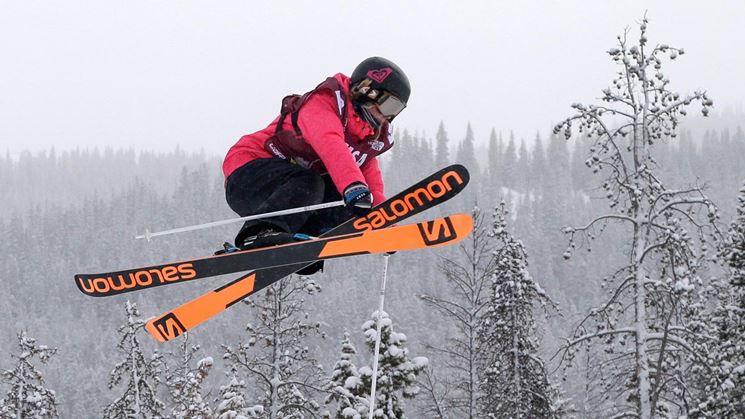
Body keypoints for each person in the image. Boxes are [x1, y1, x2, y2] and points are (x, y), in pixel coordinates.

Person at [221, 56, 410, 272]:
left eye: (396, 111)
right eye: (389, 106)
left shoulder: (367, 140)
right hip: (248, 174)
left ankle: (305, 241)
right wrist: (353, 187)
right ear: (368, 91)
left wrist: (383, 220)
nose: (388, 117)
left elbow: (372, 185)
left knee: (346, 201)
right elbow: (330, 144)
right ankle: (258, 234)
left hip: (287, 195)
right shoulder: (324, 104)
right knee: (313, 183)